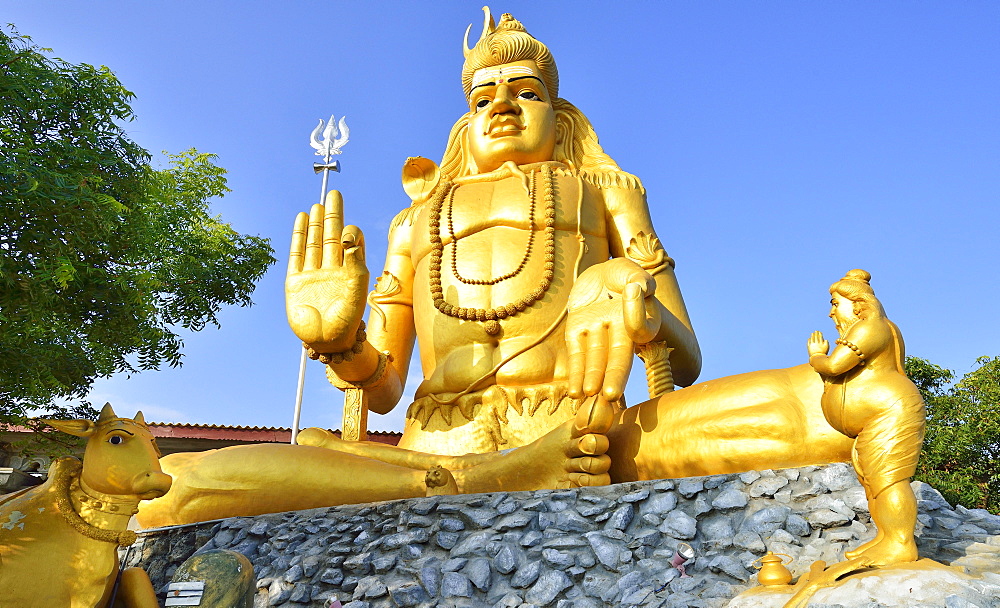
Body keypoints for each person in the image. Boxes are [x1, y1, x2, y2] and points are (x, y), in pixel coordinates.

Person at [137, 10, 868, 528]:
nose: (504, 107)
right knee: (173, 486)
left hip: (587, 436)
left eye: (527, 91)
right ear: (465, 118)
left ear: (561, 111)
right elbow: (387, 388)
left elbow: (688, 355)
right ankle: (475, 480)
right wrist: (342, 345)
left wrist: (637, 307)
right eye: (484, 96)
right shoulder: (415, 219)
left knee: (828, 410)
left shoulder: (606, 192)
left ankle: (471, 482)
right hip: (435, 446)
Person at [806, 269, 924, 566]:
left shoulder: (870, 327)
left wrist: (816, 356)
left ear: (856, 304)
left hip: (889, 412)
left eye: (835, 303)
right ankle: (886, 538)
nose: (831, 312)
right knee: (873, 480)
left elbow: (835, 365)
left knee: (889, 479)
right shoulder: (868, 329)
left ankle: (901, 544)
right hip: (873, 420)